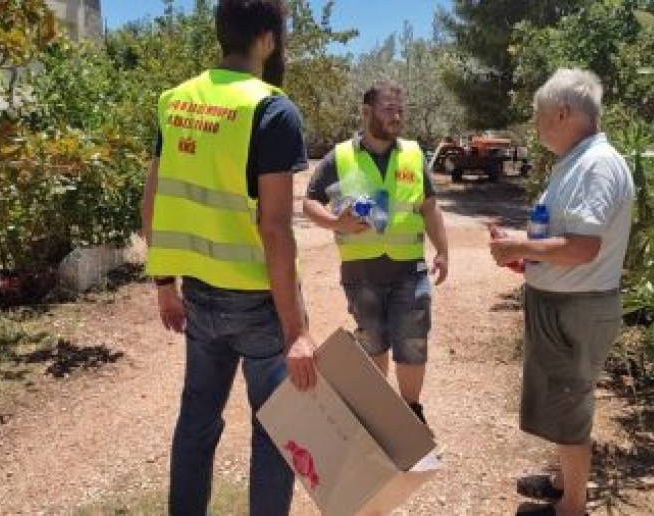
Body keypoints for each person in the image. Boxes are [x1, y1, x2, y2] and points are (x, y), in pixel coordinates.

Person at [139, 1, 316, 514]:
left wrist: (164, 286)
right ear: (266, 39)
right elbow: (276, 230)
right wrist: (297, 329)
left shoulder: (173, 101)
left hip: (197, 297)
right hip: (259, 304)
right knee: (273, 432)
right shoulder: (271, 109)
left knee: (196, 425)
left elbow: (151, 202)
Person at [489, 69, 635, 516]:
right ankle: (561, 483)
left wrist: (519, 246)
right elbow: (566, 240)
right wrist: (530, 258)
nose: (536, 125)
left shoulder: (596, 165)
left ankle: (571, 508)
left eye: (539, 115)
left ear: (564, 113)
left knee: (570, 406)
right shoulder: (578, 161)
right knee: (562, 400)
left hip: (576, 310)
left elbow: (583, 247)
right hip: (565, 304)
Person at [303, 81, 449, 427]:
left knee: (412, 341)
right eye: (388, 109)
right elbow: (309, 203)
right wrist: (335, 223)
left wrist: (443, 250)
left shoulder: (413, 154)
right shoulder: (339, 158)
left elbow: (429, 207)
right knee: (373, 343)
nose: (396, 117)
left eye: (400, 110)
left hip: (409, 271)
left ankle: (412, 414)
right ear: (366, 112)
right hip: (361, 274)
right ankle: (379, 415)